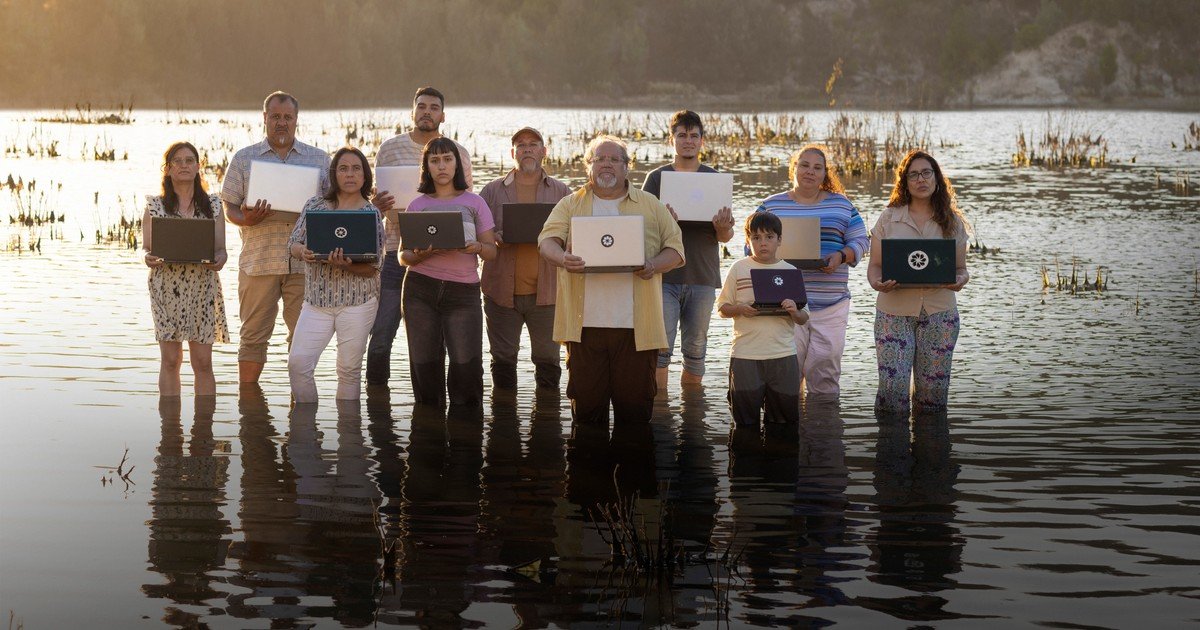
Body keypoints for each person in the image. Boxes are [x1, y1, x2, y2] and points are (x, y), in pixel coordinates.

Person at [538, 135, 685, 423]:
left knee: (634, 416)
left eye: (615, 159)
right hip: (584, 328)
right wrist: (563, 258)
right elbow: (546, 242)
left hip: (636, 330)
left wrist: (653, 264)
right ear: (588, 166)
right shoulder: (569, 204)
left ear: (627, 167)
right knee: (587, 416)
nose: (607, 164)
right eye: (600, 159)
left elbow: (676, 250)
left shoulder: (651, 204)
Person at [221, 91, 330, 384]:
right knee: (253, 336)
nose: (282, 122)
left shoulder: (319, 159)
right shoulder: (244, 158)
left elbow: (334, 206)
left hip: (305, 264)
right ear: (265, 118)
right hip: (259, 261)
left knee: (303, 338)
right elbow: (229, 206)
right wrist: (245, 219)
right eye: (275, 117)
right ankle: (249, 403)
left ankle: (299, 403)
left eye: (287, 117)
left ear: (296, 120)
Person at [368, 86, 474, 389]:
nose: (427, 112)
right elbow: (376, 198)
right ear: (413, 111)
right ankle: (376, 402)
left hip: (441, 257)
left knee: (435, 340)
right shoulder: (389, 148)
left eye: (434, 107)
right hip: (394, 253)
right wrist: (377, 205)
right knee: (381, 334)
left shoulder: (458, 152)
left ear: (443, 115)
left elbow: (466, 204)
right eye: (422, 106)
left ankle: (433, 402)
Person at [755, 144, 868, 398]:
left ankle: (823, 422)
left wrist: (841, 256)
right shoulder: (770, 206)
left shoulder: (841, 205)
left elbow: (861, 241)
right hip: (784, 303)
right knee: (786, 378)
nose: (810, 171)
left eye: (817, 167)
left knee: (825, 377)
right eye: (804, 165)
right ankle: (787, 422)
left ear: (825, 173)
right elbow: (750, 246)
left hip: (831, 303)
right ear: (793, 168)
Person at [867, 149, 970, 414]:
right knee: (892, 396)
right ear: (905, 181)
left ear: (936, 178)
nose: (920, 179)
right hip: (893, 314)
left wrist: (960, 280)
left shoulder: (952, 221)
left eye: (926, 173)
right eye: (913, 175)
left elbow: (961, 269)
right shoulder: (889, 218)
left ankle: (932, 441)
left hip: (940, 315)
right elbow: (875, 266)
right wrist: (877, 283)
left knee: (933, 400)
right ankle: (890, 440)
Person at [642, 110, 735, 389]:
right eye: (682, 135)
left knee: (695, 352)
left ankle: (692, 410)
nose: (688, 141)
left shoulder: (714, 179)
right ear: (671, 140)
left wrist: (722, 227)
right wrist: (663, 222)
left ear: (701, 141)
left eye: (694, 136)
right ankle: (660, 410)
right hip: (664, 277)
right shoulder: (656, 178)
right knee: (660, 351)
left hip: (702, 277)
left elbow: (725, 236)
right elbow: (642, 231)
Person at [400, 138, 495, 407]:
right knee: (424, 369)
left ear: (457, 164)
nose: (441, 166)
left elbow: (492, 252)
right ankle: (428, 427)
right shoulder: (417, 205)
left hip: (463, 293)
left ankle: (465, 429)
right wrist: (422, 254)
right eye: (435, 160)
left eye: (447, 159)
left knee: (466, 369)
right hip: (420, 290)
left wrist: (476, 247)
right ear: (427, 167)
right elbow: (403, 256)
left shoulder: (475, 203)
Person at [286, 146, 385, 403]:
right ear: (334, 174)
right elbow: (292, 244)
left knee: (349, 371)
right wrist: (303, 252)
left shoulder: (371, 213)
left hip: (357, 303)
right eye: (343, 168)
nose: (350, 174)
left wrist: (346, 266)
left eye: (356, 169)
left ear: (365, 176)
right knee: (298, 364)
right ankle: (306, 424)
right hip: (316, 302)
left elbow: (374, 268)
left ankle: (348, 428)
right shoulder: (315, 205)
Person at [479, 127, 572, 390]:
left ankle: (547, 412)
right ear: (513, 153)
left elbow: (575, 234)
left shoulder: (562, 192)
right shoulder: (492, 191)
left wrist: (555, 240)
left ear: (544, 151)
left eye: (533, 144)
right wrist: (495, 236)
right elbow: (476, 232)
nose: (527, 149)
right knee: (502, 361)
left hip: (548, 294)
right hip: (500, 292)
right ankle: (503, 412)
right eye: (521, 145)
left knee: (548, 361)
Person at [142, 141, 230, 396]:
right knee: (170, 360)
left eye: (189, 160)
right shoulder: (154, 206)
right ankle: (170, 420)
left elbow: (221, 250)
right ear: (168, 169)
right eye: (177, 161)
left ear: (198, 166)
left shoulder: (213, 205)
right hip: (165, 287)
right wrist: (147, 257)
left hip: (202, 286)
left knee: (202, 362)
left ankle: (204, 421)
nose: (184, 165)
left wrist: (220, 259)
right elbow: (146, 247)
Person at [717, 212, 809, 426]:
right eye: (756, 237)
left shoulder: (790, 271)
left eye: (769, 237)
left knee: (784, 424)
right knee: (744, 424)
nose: (763, 243)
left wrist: (794, 311)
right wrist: (740, 309)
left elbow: (803, 318)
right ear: (748, 240)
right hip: (745, 356)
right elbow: (722, 309)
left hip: (783, 356)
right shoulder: (738, 268)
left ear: (779, 240)